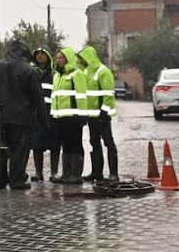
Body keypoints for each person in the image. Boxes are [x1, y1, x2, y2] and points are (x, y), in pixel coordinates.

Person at [0, 39, 49, 189]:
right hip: (21, 119)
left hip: (1, 118)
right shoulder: (29, 70)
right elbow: (38, 99)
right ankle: (17, 181)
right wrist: (45, 122)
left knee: (1, 150)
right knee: (19, 151)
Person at [77, 45, 119, 182]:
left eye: (82, 58)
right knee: (94, 142)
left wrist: (104, 112)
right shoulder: (86, 72)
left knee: (108, 142)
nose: (81, 61)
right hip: (91, 116)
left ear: (89, 57)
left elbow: (108, 93)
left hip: (102, 115)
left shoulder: (103, 71)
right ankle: (96, 173)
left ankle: (114, 174)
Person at [49, 46, 88, 185]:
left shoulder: (76, 74)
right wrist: (53, 115)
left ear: (68, 58)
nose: (59, 60)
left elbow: (81, 96)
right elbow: (55, 97)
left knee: (75, 144)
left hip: (73, 116)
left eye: (61, 57)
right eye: (57, 58)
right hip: (60, 118)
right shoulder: (57, 75)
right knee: (65, 145)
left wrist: (83, 116)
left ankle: (76, 175)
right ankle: (66, 174)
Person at [30, 47, 61, 182]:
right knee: (37, 145)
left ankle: (54, 172)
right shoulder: (31, 73)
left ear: (48, 57)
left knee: (54, 144)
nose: (40, 56)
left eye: (43, 54)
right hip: (36, 115)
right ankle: (38, 173)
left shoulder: (54, 74)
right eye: (38, 54)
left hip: (52, 114)